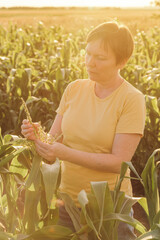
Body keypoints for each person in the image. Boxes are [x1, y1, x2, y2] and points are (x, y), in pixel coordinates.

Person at [21, 21, 146, 239]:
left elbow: (119, 162)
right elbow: (54, 140)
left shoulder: (131, 99)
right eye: (88, 53)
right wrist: (36, 135)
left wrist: (63, 152)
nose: (90, 62)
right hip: (68, 203)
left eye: (100, 58)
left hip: (109, 209)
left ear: (122, 62)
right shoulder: (74, 88)